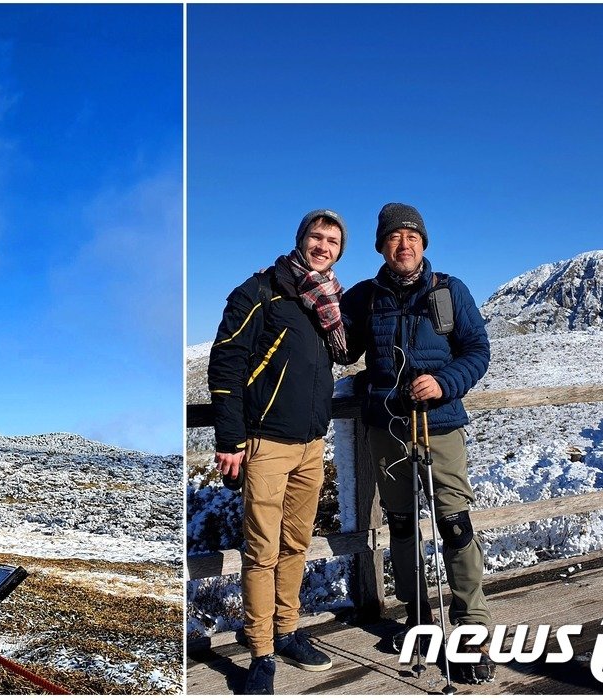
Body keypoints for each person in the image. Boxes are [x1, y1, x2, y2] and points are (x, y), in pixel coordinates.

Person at [340, 202, 495, 684]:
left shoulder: (450, 290)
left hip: (440, 422)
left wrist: (444, 382)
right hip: (387, 426)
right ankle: (419, 616)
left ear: (423, 243)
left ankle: (471, 629)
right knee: (403, 525)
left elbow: (477, 351)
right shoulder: (366, 297)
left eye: (411, 236)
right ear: (380, 246)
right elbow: (340, 345)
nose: (403, 244)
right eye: (393, 237)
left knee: (453, 522)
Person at [209, 209, 352, 694]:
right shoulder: (262, 290)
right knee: (261, 551)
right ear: (301, 239)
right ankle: (261, 651)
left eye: (333, 240)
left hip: (312, 444)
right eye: (317, 236)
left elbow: (342, 355)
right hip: (266, 444)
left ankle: (288, 631)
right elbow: (226, 362)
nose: (324, 245)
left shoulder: (328, 301)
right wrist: (229, 440)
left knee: (296, 545)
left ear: (338, 251)